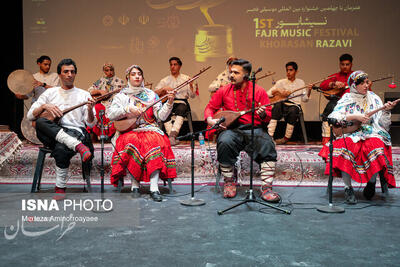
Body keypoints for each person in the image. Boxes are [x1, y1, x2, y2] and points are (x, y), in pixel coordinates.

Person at [204, 59, 280, 202]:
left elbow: (268, 117)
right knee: (224, 142)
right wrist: (209, 119)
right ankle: (229, 182)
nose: (231, 75)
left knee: (267, 145)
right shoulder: (224, 90)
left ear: (246, 75)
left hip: (254, 129)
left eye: (235, 72)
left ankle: (266, 187)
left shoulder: (259, 91)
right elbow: (210, 107)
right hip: (232, 129)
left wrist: (263, 114)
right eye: (230, 72)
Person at [319, 70, 396, 204]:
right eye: (362, 83)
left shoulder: (374, 97)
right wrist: (355, 117)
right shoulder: (347, 98)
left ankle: (371, 183)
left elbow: (383, 124)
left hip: (371, 132)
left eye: (367, 82)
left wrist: (386, 111)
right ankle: (348, 188)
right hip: (351, 133)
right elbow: (333, 117)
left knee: (376, 147)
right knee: (344, 147)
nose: (366, 85)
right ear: (354, 85)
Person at [27, 58, 95, 200]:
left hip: (75, 131)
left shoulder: (84, 95)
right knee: (40, 122)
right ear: (59, 74)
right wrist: (44, 106)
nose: (69, 74)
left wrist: (90, 109)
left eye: (72, 72)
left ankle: (60, 188)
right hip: (54, 132)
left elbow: (91, 125)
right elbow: (29, 116)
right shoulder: (49, 94)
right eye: (66, 72)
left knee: (61, 147)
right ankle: (77, 146)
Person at [107, 64, 177, 202]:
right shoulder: (121, 96)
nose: (137, 76)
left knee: (154, 141)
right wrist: (127, 109)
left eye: (139, 73)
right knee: (132, 141)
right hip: (129, 130)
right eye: (133, 74)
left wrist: (169, 103)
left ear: (143, 77)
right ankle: (134, 185)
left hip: (150, 129)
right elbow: (111, 115)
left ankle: (154, 187)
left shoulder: (151, 95)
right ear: (128, 78)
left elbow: (161, 117)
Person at [154, 57, 196, 145]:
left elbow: (192, 96)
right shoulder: (165, 80)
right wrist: (164, 88)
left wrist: (191, 86)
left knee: (181, 108)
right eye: (171, 65)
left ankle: (172, 135)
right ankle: (172, 137)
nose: (172, 67)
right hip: (169, 102)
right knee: (165, 110)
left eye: (175, 64)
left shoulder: (186, 78)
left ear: (180, 66)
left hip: (182, 102)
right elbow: (155, 93)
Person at [267, 61, 311, 144]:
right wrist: (278, 90)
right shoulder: (281, 82)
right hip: (282, 106)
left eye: (291, 70)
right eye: (287, 70)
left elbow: (305, 99)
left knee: (294, 110)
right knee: (277, 105)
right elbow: (267, 94)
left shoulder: (301, 82)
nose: (288, 72)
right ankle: (270, 136)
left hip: (294, 106)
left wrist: (309, 90)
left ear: (296, 71)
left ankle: (286, 138)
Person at [319, 53, 353, 145]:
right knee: (329, 108)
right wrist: (333, 84)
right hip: (338, 102)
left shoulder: (355, 76)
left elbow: (367, 89)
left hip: (352, 102)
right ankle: (326, 138)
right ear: (340, 65)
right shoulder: (336, 76)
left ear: (351, 65)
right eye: (342, 64)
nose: (345, 67)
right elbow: (322, 85)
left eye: (347, 64)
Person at [87, 62, 125, 140]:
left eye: (111, 70)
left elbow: (125, 93)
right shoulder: (100, 81)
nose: (109, 72)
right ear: (104, 71)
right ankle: (101, 134)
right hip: (103, 103)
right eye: (106, 70)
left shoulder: (120, 81)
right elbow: (90, 90)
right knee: (97, 108)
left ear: (114, 70)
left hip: (115, 103)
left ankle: (112, 134)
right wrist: (100, 91)